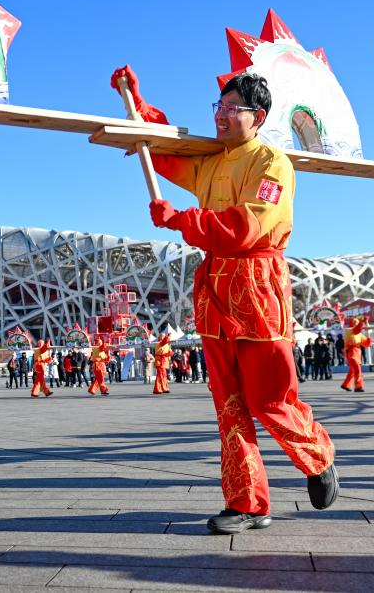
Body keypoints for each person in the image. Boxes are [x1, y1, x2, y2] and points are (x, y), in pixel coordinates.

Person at [113, 65, 338, 535]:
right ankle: (247, 502)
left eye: (232, 108)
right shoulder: (213, 162)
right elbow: (167, 156)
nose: (222, 115)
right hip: (215, 287)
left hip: (258, 285)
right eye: (219, 106)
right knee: (229, 403)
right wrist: (137, 100)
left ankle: (316, 456)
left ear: (257, 116)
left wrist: (182, 220)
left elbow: (249, 225)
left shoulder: (271, 163)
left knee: (270, 398)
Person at [340, 318, 370, 393]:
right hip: (351, 351)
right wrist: (363, 322)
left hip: (357, 352)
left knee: (353, 371)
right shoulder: (348, 330)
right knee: (357, 369)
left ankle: (346, 384)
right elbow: (357, 330)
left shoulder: (359, 334)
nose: (356, 324)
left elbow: (366, 343)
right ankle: (358, 386)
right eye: (354, 322)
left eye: (357, 322)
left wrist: (368, 336)